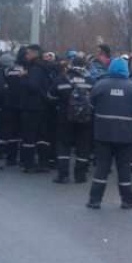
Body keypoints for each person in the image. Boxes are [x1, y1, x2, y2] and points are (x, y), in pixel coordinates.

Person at [87, 57, 132, 209]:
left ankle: (95, 200)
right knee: (124, 168)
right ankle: (128, 200)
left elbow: (91, 105)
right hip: (127, 135)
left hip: (103, 134)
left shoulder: (100, 86)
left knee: (102, 167)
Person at [49, 56, 94, 184]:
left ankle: (63, 175)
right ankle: (80, 176)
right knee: (83, 146)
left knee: (63, 145)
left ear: (71, 65)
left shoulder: (62, 79)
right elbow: (95, 99)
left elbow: (50, 96)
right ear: (85, 66)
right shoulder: (90, 80)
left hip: (65, 117)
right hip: (85, 119)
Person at [20, 44, 52, 173]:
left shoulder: (34, 69)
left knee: (29, 136)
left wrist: (23, 77)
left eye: (28, 53)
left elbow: (32, 86)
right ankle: (43, 162)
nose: (26, 56)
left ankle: (29, 164)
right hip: (44, 105)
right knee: (42, 136)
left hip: (32, 106)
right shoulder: (44, 67)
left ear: (34, 53)